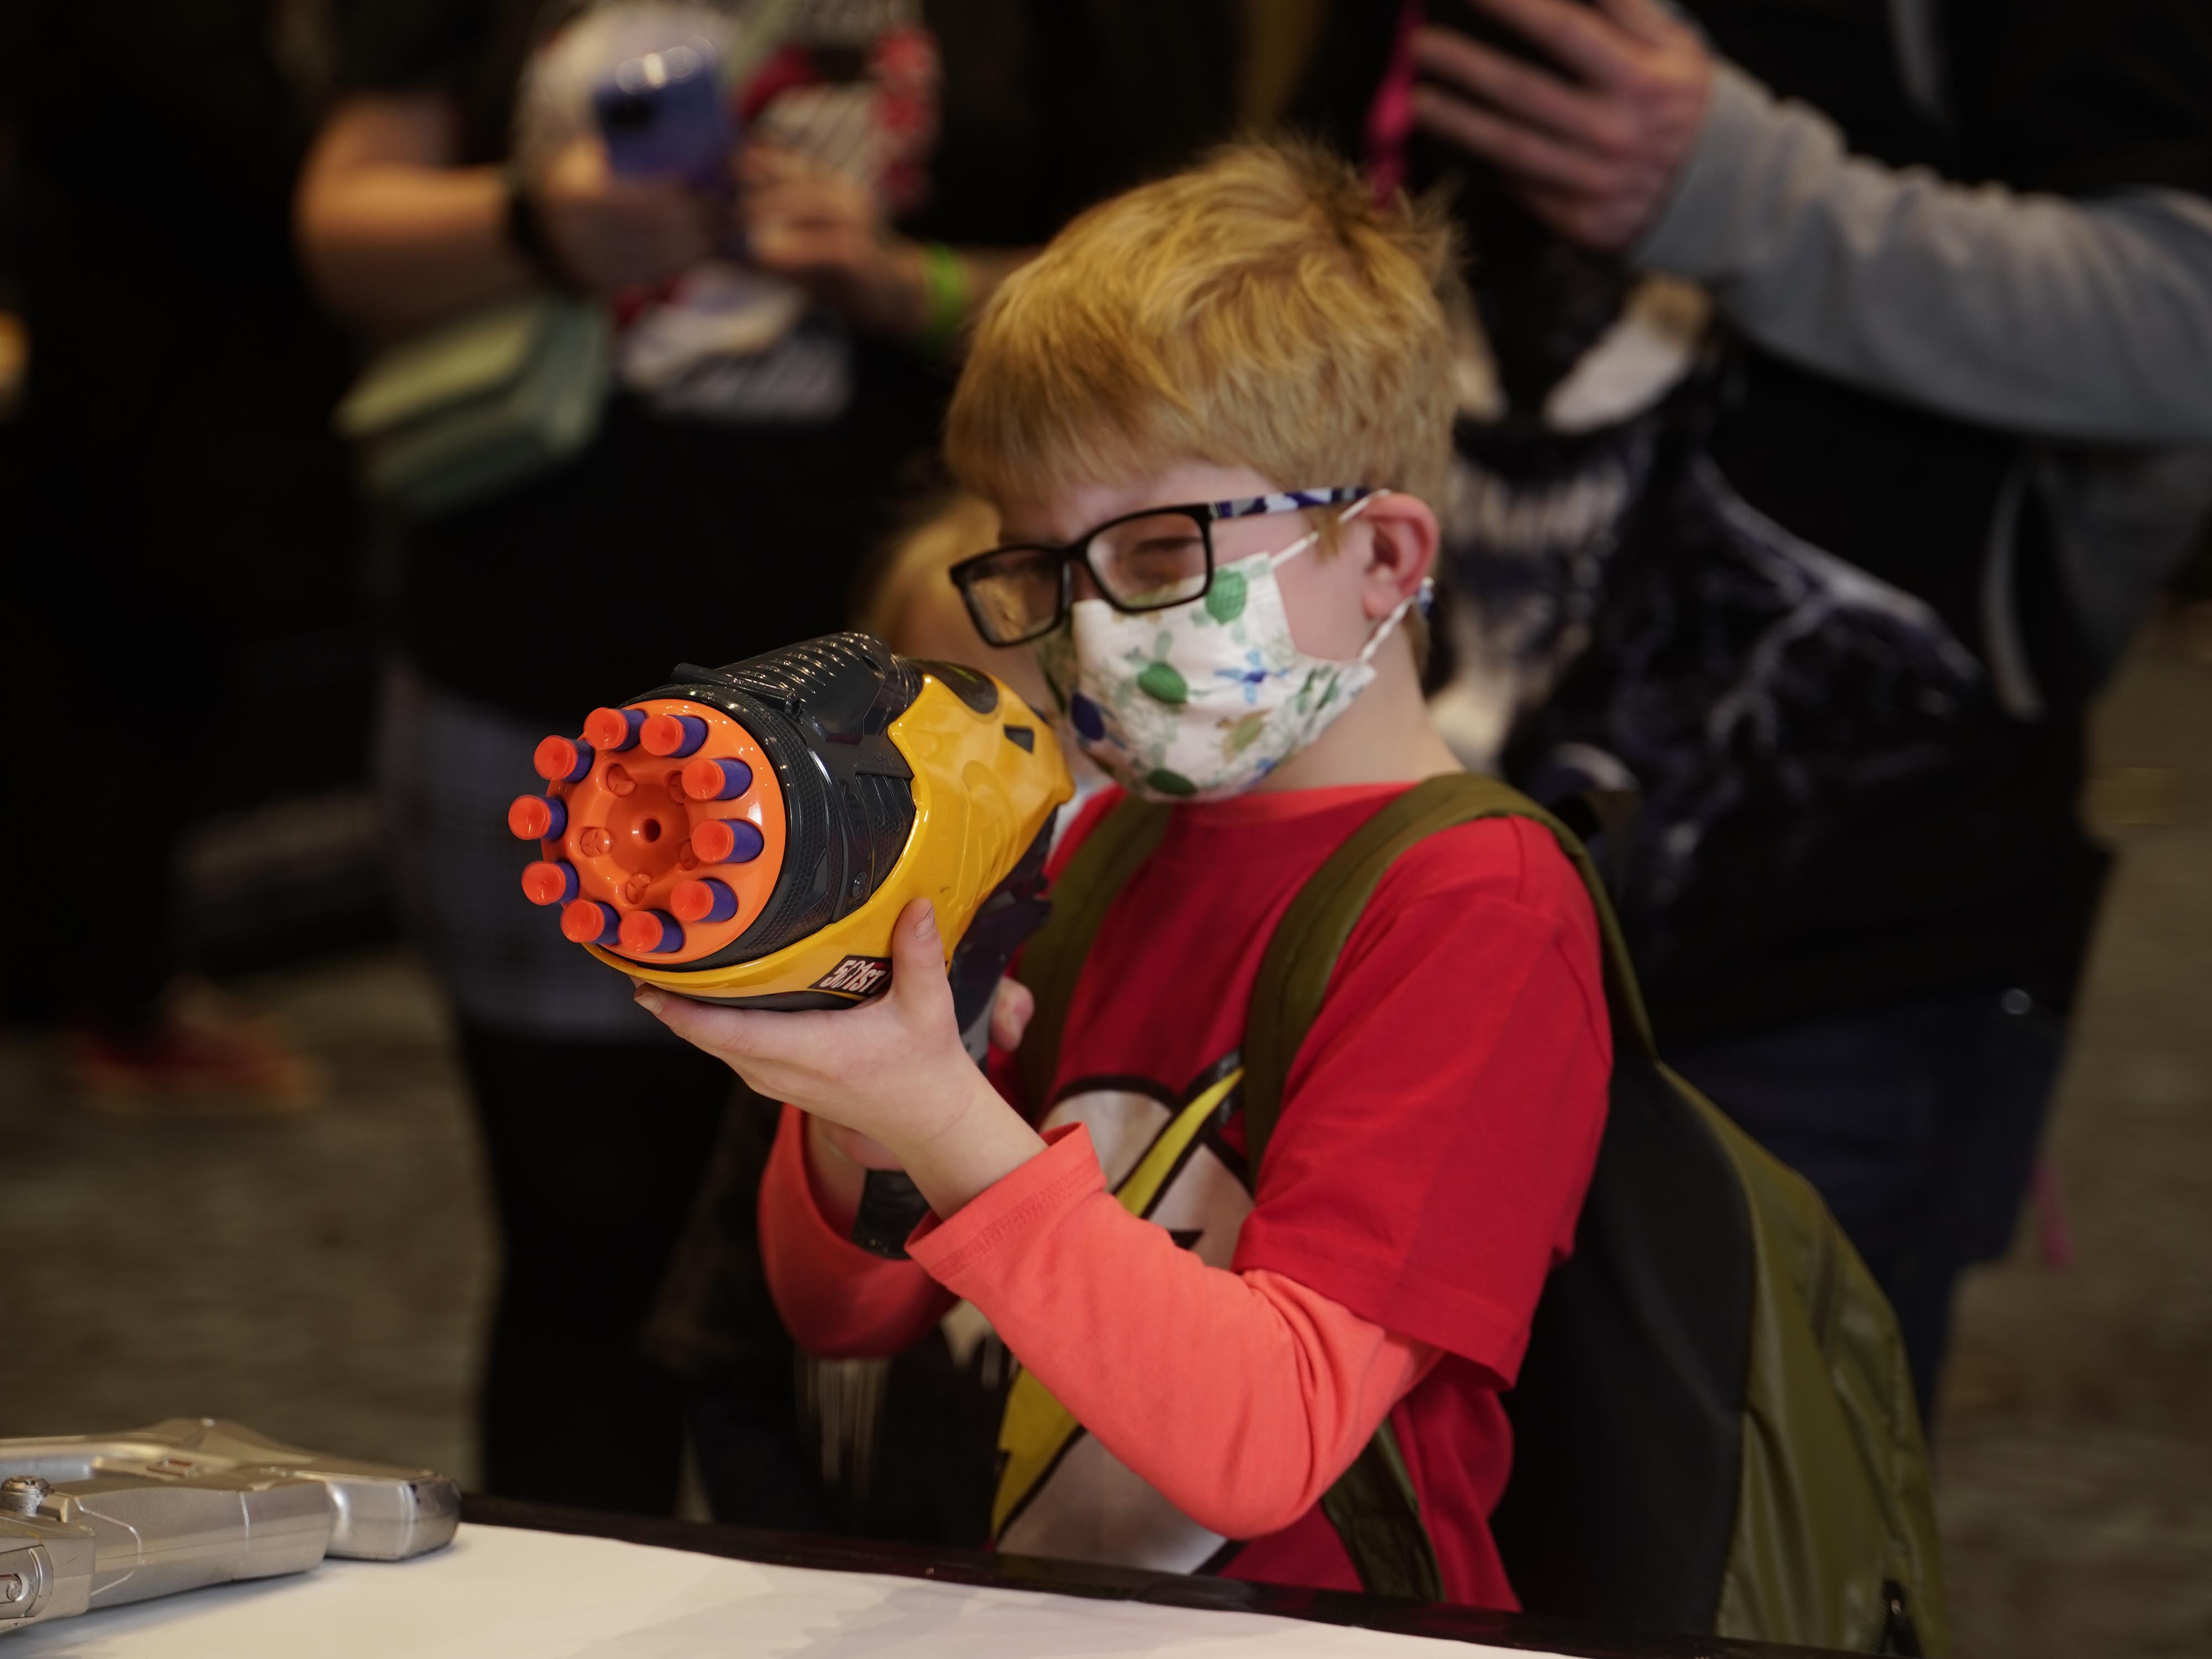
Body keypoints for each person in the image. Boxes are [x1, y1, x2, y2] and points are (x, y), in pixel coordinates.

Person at [635, 141, 1613, 1606]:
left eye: (1160, 555)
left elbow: (1267, 1440)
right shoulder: (1092, 847)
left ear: (1385, 554)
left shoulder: (1475, 909)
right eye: (1044, 567)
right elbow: (842, 1312)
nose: (1093, 632)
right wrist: (859, 1104)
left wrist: (945, 1118)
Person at [296, 0, 1237, 1517]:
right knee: (580, 1248)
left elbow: (1202, 289)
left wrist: (898, 283)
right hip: (543, 682)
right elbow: (343, 219)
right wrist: (548, 224)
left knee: (867, 1260)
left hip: (921, 693)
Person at [1297, 0, 2212, 1416]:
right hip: (1410, 903)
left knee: (1746, 1551)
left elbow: (2179, 322)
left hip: (1831, 952)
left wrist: (1742, 192)